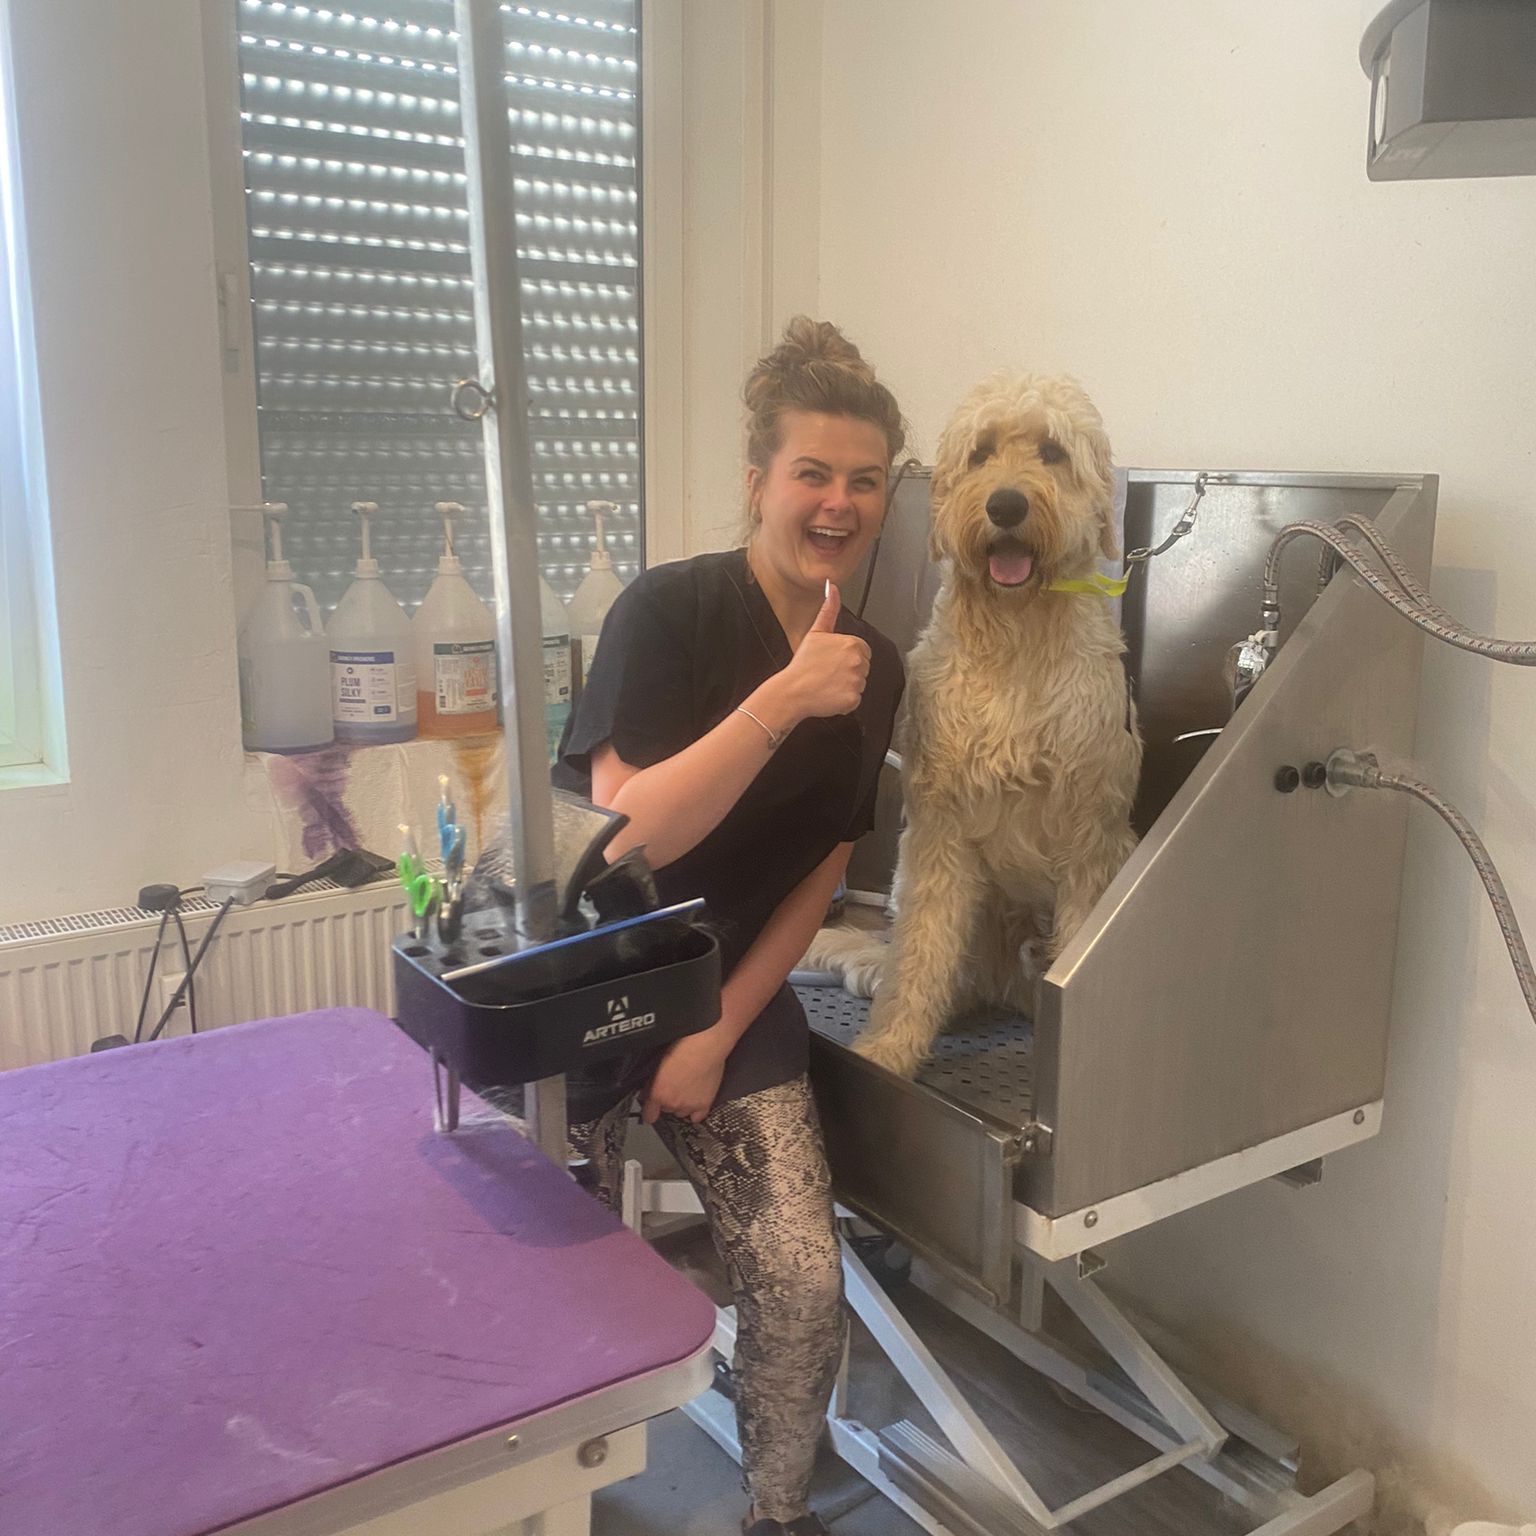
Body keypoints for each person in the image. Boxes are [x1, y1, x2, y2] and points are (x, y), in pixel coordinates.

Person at [553, 316, 907, 1536]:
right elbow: (629, 834)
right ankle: (545, 1504)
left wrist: (719, 1030)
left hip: (728, 996)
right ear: (758, 480)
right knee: (552, 1291)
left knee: (804, 1278)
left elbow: (825, 864)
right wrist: (782, 698)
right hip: (587, 986)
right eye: (813, 471)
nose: (837, 502)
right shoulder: (665, 613)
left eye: (865, 481)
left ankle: (773, 1512)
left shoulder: (877, 660)